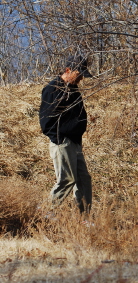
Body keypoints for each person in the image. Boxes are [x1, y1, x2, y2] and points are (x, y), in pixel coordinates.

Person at [39, 55, 93, 214]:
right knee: (66, 180)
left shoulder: (73, 89)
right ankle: (45, 215)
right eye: (80, 73)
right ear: (68, 70)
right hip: (62, 142)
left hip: (75, 142)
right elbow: (46, 121)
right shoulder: (53, 89)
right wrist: (60, 138)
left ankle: (85, 220)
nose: (82, 77)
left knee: (84, 180)